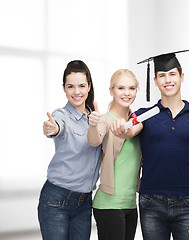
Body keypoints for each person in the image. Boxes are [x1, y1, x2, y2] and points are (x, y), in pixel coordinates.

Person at [111, 50, 189, 240]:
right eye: (162, 75)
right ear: (155, 80)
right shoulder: (144, 114)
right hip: (151, 203)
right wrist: (123, 130)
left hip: (188, 203)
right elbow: (131, 129)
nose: (168, 80)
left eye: (172, 74)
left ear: (182, 77)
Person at [38, 60, 102, 240]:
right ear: (64, 88)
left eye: (82, 85)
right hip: (56, 198)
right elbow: (57, 126)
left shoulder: (95, 118)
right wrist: (52, 128)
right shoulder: (61, 115)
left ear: (89, 86)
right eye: (70, 86)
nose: (77, 92)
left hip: (84, 202)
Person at [87, 69, 142, 240]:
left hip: (131, 204)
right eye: (121, 88)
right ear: (111, 91)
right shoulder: (104, 119)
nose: (127, 93)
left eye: (131, 88)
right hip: (109, 205)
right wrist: (93, 125)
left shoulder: (137, 121)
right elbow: (94, 140)